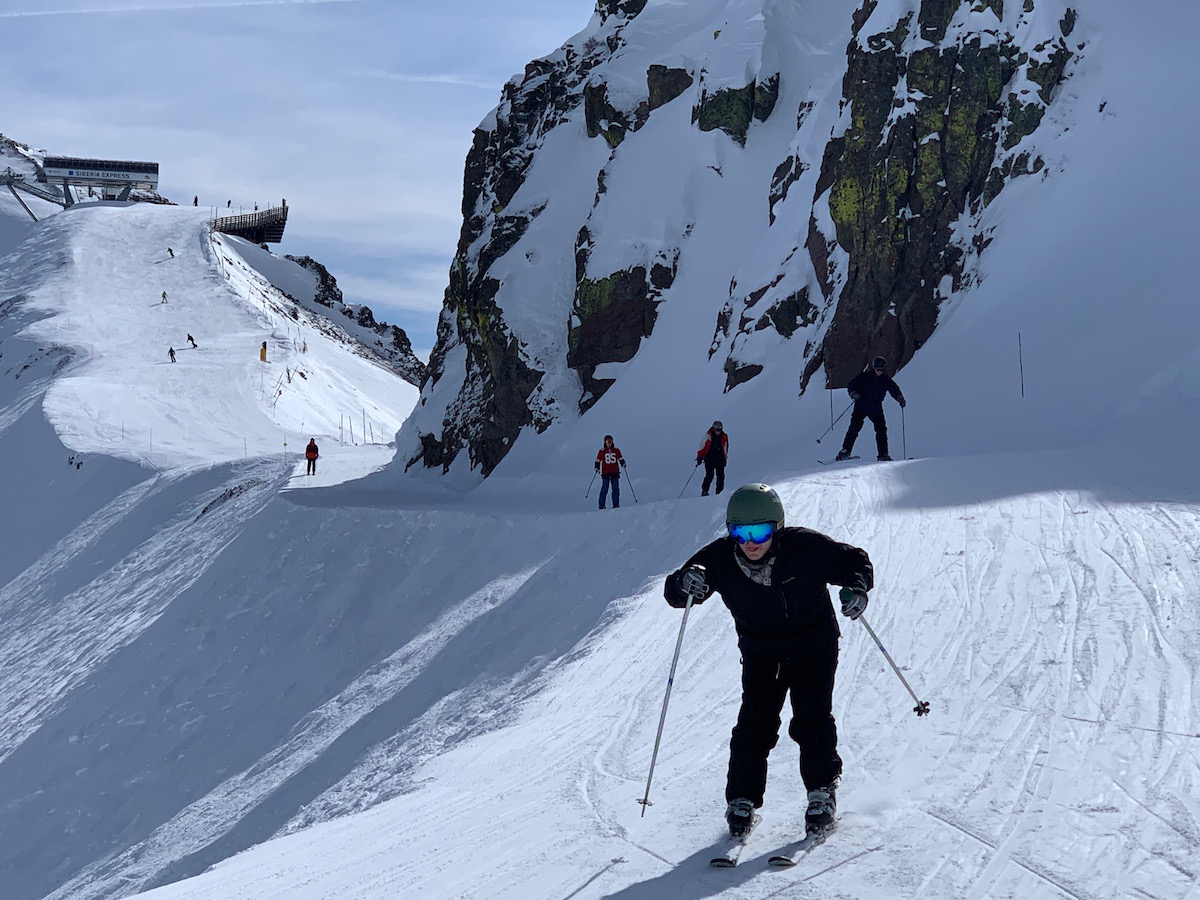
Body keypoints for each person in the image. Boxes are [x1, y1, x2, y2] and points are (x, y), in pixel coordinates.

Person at [663, 483, 873, 841]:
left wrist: (857, 587)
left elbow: (853, 560)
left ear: (775, 527)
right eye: (740, 532)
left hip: (814, 644)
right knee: (754, 725)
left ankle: (821, 791)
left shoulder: (804, 547)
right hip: (762, 651)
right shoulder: (720, 558)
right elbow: (675, 590)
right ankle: (742, 799)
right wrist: (686, 582)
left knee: (812, 717)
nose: (750, 542)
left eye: (759, 531)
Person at [836, 356, 905, 462]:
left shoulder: (885, 380)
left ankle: (883, 454)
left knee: (881, 430)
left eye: (881, 369)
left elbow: (893, 389)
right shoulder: (864, 377)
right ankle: (845, 451)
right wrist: (855, 395)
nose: (879, 371)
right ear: (873, 368)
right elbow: (851, 386)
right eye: (877, 369)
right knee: (854, 428)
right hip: (861, 406)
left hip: (876, 408)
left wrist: (899, 398)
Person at [696, 420, 729, 496]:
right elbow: (702, 446)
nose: (718, 431)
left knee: (720, 476)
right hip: (709, 458)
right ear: (713, 429)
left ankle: (719, 492)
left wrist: (725, 459)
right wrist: (699, 457)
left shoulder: (724, 436)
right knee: (709, 475)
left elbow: (725, 448)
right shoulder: (708, 435)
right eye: (716, 429)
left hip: (720, 458)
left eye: (719, 429)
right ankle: (704, 490)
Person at [593, 435, 625, 509]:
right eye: (607, 441)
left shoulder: (616, 450)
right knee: (604, 488)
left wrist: (623, 463)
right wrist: (597, 467)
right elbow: (598, 460)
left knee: (616, 489)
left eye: (610, 441)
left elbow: (620, 458)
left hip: (614, 472)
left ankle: (616, 504)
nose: (609, 443)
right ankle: (601, 504)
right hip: (606, 473)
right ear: (605, 442)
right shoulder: (602, 451)